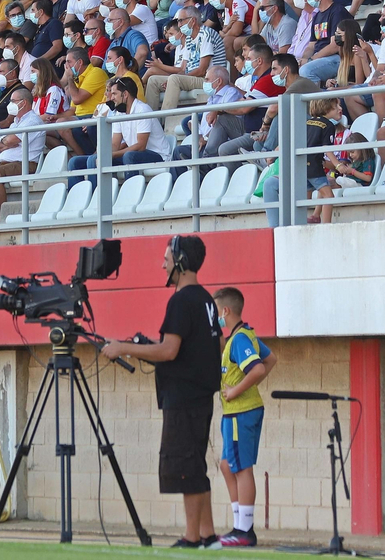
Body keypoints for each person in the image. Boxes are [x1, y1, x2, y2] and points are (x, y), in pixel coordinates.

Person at [103, 235, 223, 549]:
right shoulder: (206, 299)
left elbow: (170, 351)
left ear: (181, 261)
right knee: (196, 464)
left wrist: (123, 348)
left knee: (186, 468)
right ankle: (209, 535)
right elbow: (211, 345)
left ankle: (192, 537)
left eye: (167, 257)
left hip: (184, 398)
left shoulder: (181, 300)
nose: (163, 263)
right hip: (199, 396)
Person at [212, 287, 277, 548]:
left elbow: (259, 367)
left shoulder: (239, 340)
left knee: (241, 468)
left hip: (241, 412)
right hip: (235, 413)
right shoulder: (241, 336)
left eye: (216, 311)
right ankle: (239, 525)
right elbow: (272, 358)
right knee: (228, 465)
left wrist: (237, 390)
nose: (214, 316)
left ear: (225, 311)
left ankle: (245, 531)